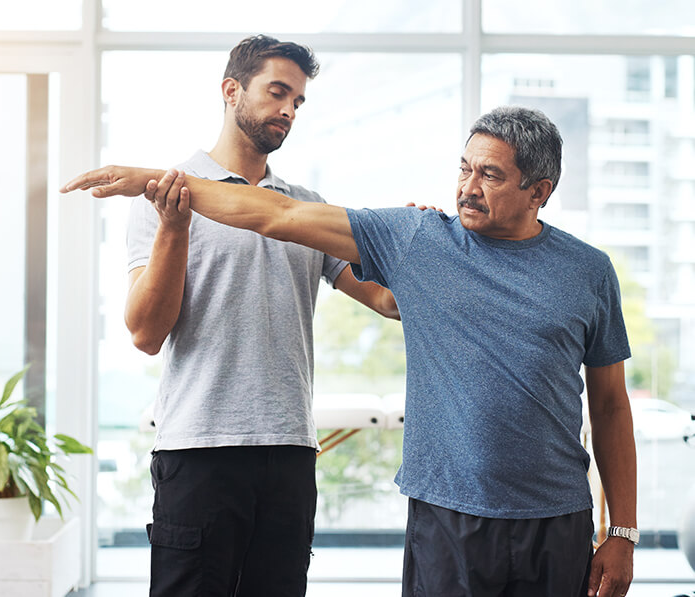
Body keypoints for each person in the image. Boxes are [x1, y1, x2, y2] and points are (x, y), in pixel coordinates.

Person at [62, 105, 637, 597]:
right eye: (464, 169)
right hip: (446, 516)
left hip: (557, 519)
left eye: (490, 176)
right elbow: (275, 214)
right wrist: (148, 179)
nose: (467, 188)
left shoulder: (588, 271)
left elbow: (611, 406)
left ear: (540, 191)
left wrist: (622, 534)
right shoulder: (418, 239)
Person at [68, 35, 399, 597]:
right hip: (199, 449)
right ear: (231, 90)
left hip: (290, 451)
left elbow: (387, 301)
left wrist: (420, 250)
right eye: (277, 92)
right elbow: (146, 334)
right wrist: (175, 230)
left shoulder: (302, 207)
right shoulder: (167, 196)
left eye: (298, 101)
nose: (289, 111)